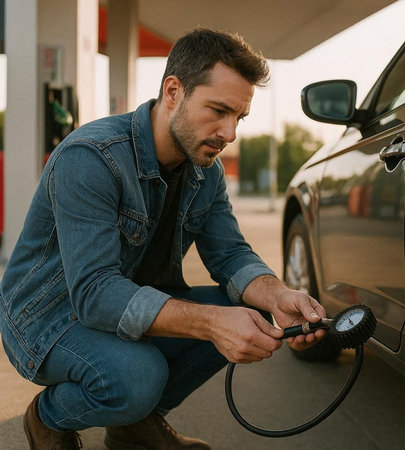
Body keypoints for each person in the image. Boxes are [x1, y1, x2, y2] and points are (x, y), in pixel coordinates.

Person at [0, 28, 326, 450]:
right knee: (139, 375)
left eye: (238, 118)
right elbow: (95, 294)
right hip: (48, 320)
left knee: (246, 305)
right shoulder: (92, 157)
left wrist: (277, 295)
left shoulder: (204, 168)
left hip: (123, 305)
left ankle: (134, 427)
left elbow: (229, 254)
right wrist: (211, 323)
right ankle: (48, 417)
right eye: (218, 111)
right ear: (173, 91)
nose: (229, 133)